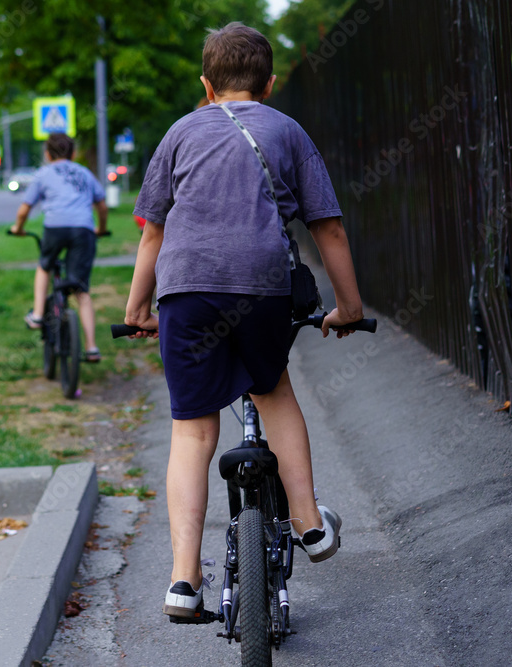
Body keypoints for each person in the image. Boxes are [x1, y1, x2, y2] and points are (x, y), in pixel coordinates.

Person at [123, 22, 367, 618]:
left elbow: (153, 229)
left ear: (206, 85)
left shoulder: (180, 132)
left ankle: (183, 580)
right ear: (270, 84)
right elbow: (326, 226)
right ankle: (309, 523)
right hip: (261, 287)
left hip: (184, 291)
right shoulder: (286, 130)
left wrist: (136, 310)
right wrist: (349, 307)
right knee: (273, 390)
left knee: (192, 430)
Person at [10, 133, 109, 362]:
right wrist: (101, 228)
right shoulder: (84, 173)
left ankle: (36, 315)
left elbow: (25, 209)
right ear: (73, 154)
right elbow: (102, 206)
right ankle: (92, 348)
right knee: (82, 291)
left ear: (47, 154)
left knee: (44, 266)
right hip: (83, 230)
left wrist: (18, 228)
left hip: (55, 228)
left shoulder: (43, 174)